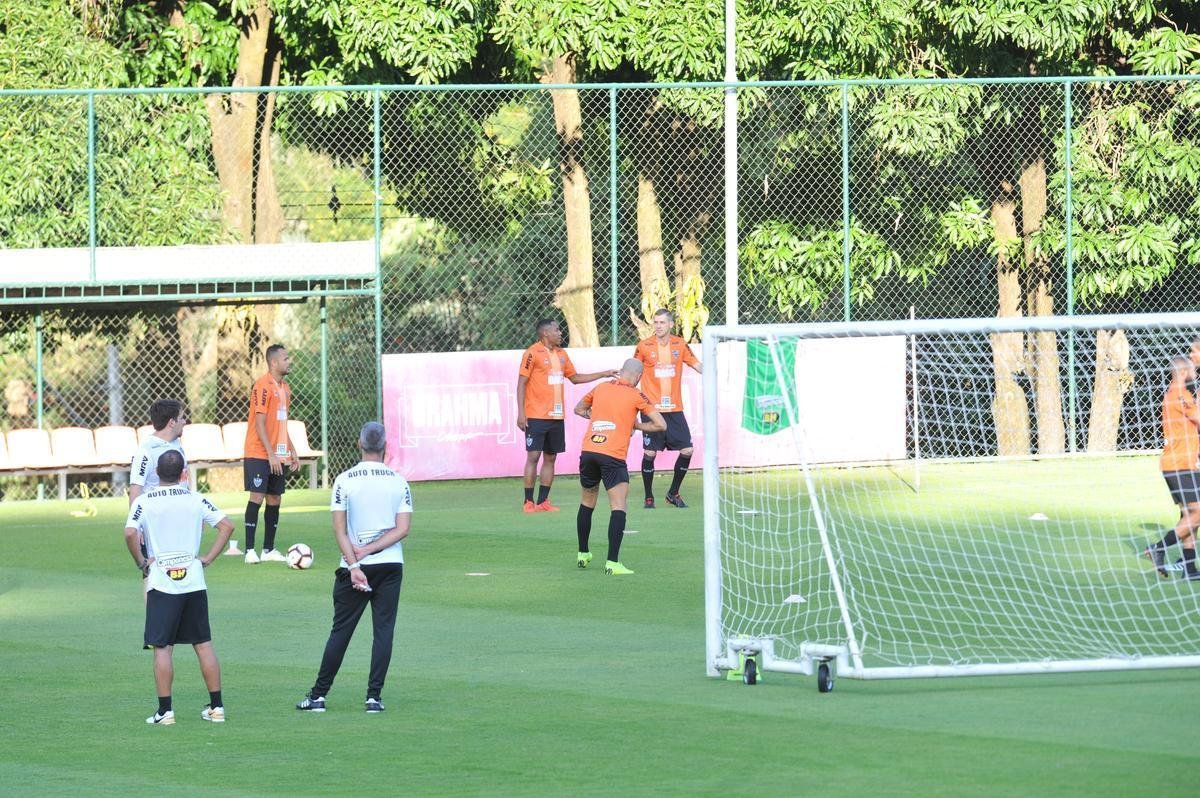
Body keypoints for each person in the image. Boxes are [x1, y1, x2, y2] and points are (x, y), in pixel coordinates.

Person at [296, 422, 413, 714]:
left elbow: (339, 530)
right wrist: (372, 550)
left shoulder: (344, 480)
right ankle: (374, 698)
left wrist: (355, 564)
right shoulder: (399, 481)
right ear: (385, 447)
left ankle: (318, 696)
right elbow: (403, 529)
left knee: (341, 631)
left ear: (359, 444)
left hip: (354, 566)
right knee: (383, 631)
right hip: (389, 564)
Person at [124, 449, 234, 725]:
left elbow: (129, 532)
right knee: (203, 643)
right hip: (193, 580)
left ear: (157, 474)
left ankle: (166, 711)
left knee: (162, 647)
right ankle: (217, 708)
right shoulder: (196, 499)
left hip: (162, 581)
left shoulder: (145, 501)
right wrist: (207, 558)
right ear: (184, 473)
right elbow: (227, 526)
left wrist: (141, 562)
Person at [573, 359, 666, 575]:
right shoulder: (636, 395)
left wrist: (596, 417)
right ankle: (613, 562)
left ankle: (583, 553)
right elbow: (661, 424)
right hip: (612, 455)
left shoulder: (601, 387)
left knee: (587, 502)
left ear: (621, 372)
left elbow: (579, 409)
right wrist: (636, 425)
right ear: (638, 377)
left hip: (589, 451)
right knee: (618, 506)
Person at [516, 319, 614, 513]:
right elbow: (522, 383)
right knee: (533, 456)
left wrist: (604, 374)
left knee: (550, 458)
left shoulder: (562, 354)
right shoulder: (531, 353)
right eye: (557, 330)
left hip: (557, 416)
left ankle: (543, 501)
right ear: (545, 334)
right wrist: (521, 413)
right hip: (535, 415)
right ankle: (528, 502)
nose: (560, 333)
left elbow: (575, 378)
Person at [634, 308, 702, 509]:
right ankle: (649, 497)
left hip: (674, 409)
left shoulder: (680, 344)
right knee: (650, 453)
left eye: (662, 322)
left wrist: (713, 370)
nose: (658, 326)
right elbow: (634, 371)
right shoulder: (644, 346)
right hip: (651, 409)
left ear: (671, 324)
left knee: (688, 450)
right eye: (655, 322)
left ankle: (673, 493)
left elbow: (696, 364)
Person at [243, 343, 300, 564]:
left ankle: (268, 549)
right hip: (259, 453)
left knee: (274, 498)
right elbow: (259, 424)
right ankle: (249, 550)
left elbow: (281, 423)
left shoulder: (285, 388)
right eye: (286, 358)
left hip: (279, 454)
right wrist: (271, 454)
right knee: (257, 497)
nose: (289, 361)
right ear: (273, 362)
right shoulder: (262, 386)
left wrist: (292, 450)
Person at [1144, 355, 1200, 581]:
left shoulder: (1171, 394)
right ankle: (1159, 547)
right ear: (1184, 373)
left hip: (1178, 463)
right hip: (1180, 464)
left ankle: (1189, 568)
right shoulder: (1181, 395)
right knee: (1197, 513)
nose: (1195, 373)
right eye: (1193, 371)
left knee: (1189, 514)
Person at [129, 399, 188, 504]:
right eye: (181, 418)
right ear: (172, 423)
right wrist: (134, 520)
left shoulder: (176, 443)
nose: (184, 422)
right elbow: (135, 490)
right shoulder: (145, 451)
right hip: (157, 516)